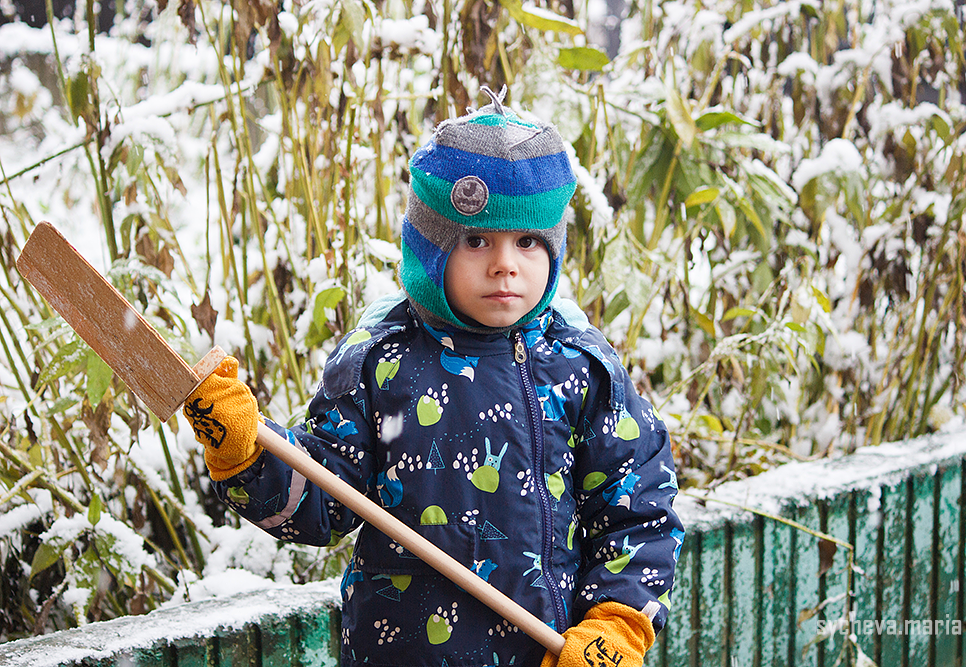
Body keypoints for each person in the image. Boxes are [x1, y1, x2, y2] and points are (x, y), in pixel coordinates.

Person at [184, 86, 684, 667]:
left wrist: (617, 622)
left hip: (547, 655)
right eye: (476, 241)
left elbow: (639, 506)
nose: (506, 263)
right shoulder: (381, 362)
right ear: (431, 247)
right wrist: (245, 451)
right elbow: (322, 503)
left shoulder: (579, 366)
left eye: (527, 242)